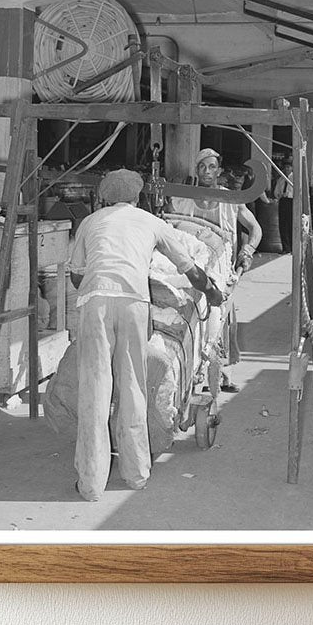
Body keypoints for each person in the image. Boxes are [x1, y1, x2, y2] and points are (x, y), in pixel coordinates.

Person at [68, 169, 223, 502]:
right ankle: (136, 474)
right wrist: (212, 292)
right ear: (138, 196)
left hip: (95, 302)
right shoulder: (151, 222)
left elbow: (76, 278)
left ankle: (90, 484)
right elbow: (189, 268)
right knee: (133, 385)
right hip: (134, 303)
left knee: (94, 390)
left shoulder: (90, 222)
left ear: (104, 197)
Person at [169, 147, 263, 392]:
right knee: (193, 316)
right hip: (193, 266)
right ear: (196, 170)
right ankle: (193, 373)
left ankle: (221, 374)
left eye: (212, 166)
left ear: (219, 170)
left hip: (220, 268)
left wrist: (248, 250)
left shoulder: (230, 200)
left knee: (220, 318)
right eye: (202, 167)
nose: (207, 171)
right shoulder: (184, 198)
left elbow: (255, 229)